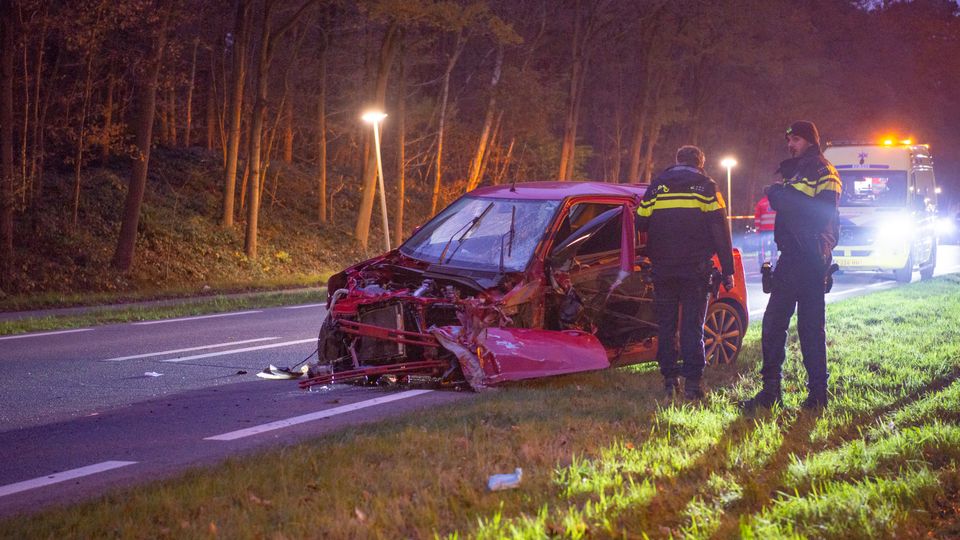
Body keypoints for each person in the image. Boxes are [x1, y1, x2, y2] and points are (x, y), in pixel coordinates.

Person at [740, 121, 841, 412]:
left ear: (809, 140)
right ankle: (771, 390)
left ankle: (818, 395)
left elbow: (820, 213)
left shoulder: (824, 171)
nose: (790, 144)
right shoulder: (798, 170)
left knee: (810, 329)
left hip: (809, 257)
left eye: (796, 139)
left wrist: (779, 195)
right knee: (773, 325)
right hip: (793, 256)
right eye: (789, 139)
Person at [637, 145, 735, 400]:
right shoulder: (707, 186)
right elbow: (721, 230)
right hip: (695, 270)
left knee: (666, 326)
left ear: (676, 160)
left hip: (663, 269)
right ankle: (693, 385)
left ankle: (669, 380)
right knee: (692, 326)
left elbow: (640, 221)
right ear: (700, 163)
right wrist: (728, 270)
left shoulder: (658, 185)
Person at [754, 194, 777, 265]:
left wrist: (757, 229)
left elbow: (757, 218)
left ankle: (761, 262)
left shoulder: (760, 203)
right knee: (774, 247)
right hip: (774, 229)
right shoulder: (775, 202)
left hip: (763, 230)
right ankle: (774, 261)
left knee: (762, 247)